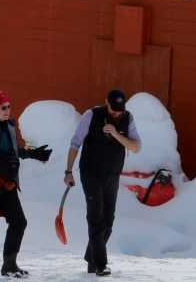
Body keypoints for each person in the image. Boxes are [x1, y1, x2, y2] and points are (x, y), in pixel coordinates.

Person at [0, 91, 52, 279]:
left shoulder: (9, 127)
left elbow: (13, 152)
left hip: (8, 185)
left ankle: (10, 264)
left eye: (9, 107)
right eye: (3, 107)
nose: (8, 110)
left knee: (19, 222)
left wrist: (34, 154)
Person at [64, 89, 141, 276]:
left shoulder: (127, 119)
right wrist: (68, 171)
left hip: (112, 174)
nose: (117, 114)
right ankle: (100, 264)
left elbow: (136, 147)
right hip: (90, 172)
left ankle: (92, 257)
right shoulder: (92, 115)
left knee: (108, 220)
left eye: (120, 111)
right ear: (106, 103)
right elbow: (75, 143)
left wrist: (115, 133)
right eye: (114, 110)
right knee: (95, 217)